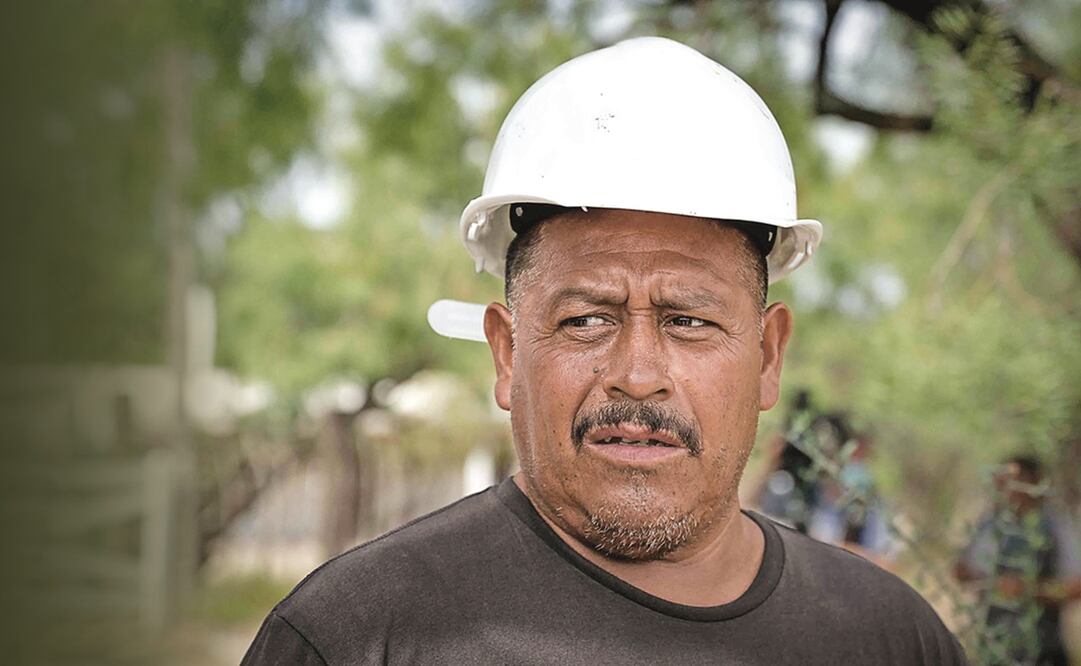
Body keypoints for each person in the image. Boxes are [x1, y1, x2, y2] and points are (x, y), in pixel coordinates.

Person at [242, 37, 966, 664]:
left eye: (688, 320)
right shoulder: (360, 638)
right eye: (587, 319)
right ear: (505, 353)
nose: (638, 376)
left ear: (768, 356)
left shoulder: (887, 639)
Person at [955, 456, 1081, 665]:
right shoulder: (992, 523)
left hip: (1043, 649)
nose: (1005, 487)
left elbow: (1075, 587)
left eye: (1014, 479)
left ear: (1033, 483)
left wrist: (1028, 590)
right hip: (994, 646)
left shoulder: (1055, 526)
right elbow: (965, 569)